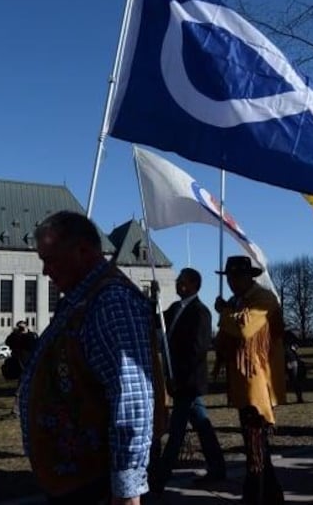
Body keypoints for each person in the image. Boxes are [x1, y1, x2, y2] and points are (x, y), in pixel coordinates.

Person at [18, 211, 162, 505]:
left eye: (51, 259)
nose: (45, 271)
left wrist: (127, 488)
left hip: (95, 481)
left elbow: (132, 397)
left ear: (82, 251)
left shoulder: (111, 300)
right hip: (76, 475)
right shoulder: (80, 298)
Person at [212, 256, 287, 505]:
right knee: (256, 447)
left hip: (259, 384)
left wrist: (224, 312)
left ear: (249, 276)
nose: (232, 282)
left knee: (255, 447)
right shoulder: (237, 302)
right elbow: (226, 335)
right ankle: (272, 495)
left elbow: (244, 328)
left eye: (236, 277)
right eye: (229, 278)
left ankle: (254, 496)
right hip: (242, 382)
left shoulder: (264, 299)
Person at [151, 268, 226, 492]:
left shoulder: (201, 313)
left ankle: (159, 480)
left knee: (176, 433)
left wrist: (178, 378)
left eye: (181, 281)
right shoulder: (176, 308)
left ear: (193, 284)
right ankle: (218, 467)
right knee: (202, 425)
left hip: (188, 382)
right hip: (178, 382)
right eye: (177, 281)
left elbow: (197, 351)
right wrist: (152, 298)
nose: (177, 284)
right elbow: (156, 320)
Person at [283, 330, 306, 403]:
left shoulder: (287, 335)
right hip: (289, 360)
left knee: (295, 380)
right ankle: (299, 398)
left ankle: (299, 398)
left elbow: (297, 345)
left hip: (290, 360)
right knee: (294, 380)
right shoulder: (286, 336)